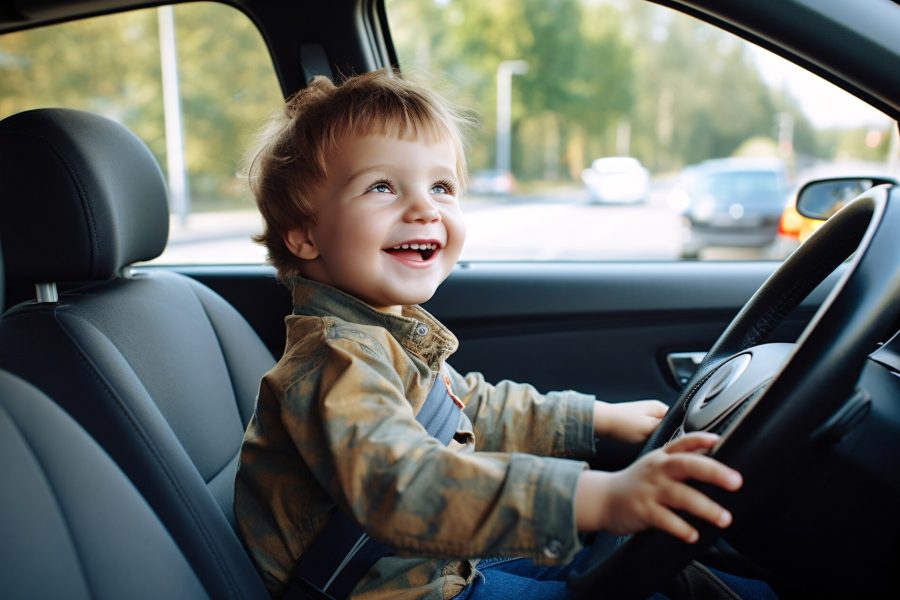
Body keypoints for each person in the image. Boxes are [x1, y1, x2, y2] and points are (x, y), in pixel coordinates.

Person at [234, 69, 767, 600]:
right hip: (402, 592)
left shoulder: (386, 334)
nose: (425, 207)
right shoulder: (334, 359)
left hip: (435, 567)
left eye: (442, 186)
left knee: (655, 562)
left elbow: (473, 408)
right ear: (305, 234)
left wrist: (600, 419)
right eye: (382, 186)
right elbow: (404, 486)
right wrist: (599, 497)